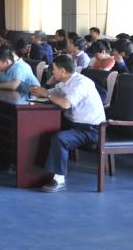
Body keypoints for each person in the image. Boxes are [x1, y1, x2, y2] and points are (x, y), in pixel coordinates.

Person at [30, 55, 105, 193]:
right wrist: (42, 90)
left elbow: (65, 103)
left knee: (60, 138)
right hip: (73, 124)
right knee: (41, 129)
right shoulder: (64, 83)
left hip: (91, 129)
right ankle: (35, 171)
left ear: (63, 71)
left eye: (54, 69)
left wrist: (47, 94)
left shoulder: (81, 83)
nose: (52, 72)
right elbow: (48, 93)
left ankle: (58, 179)